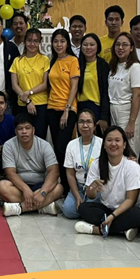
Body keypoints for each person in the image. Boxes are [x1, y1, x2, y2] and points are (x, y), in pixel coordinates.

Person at [74, 126, 140, 241]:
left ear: (124, 144)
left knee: (139, 216)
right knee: (83, 208)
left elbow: (130, 200)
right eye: (109, 140)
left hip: (125, 210)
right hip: (106, 209)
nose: (113, 144)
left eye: (117, 140)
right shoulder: (97, 164)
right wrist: (92, 188)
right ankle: (122, 229)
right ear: (104, 144)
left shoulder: (132, 166)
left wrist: (113, 216)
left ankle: (96, 230)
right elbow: (90, 196)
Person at [0, 114, 63, 217]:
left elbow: (54, 171)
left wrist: (43, 193)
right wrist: (25, 189)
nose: (24, 132)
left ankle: (19, 208)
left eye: (27, 128)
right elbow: (10, 173)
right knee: (2, 186)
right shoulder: (9, 145)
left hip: (40, 186)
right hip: (19, 187)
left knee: (59, 188)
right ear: (15, 131)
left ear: (33, 130)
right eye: (20, 129)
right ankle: (42, 206)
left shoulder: (44, 145)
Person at [46, 29, 79, 193]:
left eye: (62, 41)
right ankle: (61, 186)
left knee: (62, 148)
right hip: (51, 109)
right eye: (56, 41)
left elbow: (74, 87)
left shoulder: (73, 60)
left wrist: (67, 109)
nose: (59, 44)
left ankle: (68, 187)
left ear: (68, 43)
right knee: (56, 149)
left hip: (67, 110)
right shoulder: (52, 61)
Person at [62, 110, 103, 219]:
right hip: (79, 187)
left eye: (89, 122)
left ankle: (86, 211)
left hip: (96, 188)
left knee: (97, 205)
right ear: (77, 125)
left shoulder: (102, 144)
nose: (85, 125)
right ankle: (88, 212)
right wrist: (76, 195)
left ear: (94, 126)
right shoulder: (71, 145)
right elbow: (70, 174)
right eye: (81, 122)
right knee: (68, 211)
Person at [108, 32, 140, 158]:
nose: (120, 48)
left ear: (132, 48)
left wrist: (131, 122)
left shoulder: (135, 67)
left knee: (130, 151)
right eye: (117, 44)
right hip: (114, 110)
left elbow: (137, 96)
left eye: (124, 45)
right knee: (116, 151)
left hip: (128, 111)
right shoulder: (113, 66)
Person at [10, 28, 50, 140]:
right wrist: (27, 100)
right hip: (23, 104)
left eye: (36, 41)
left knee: (39, 138)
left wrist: (28, 93)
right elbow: (14, 85)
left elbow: (45, 84)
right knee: (23, 137)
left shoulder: (45, 60)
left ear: (40, 42)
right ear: (24, 42)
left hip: (41, 104)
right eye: (29, 40)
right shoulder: (17, 61)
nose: (32, 44)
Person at [77, 33, 111, 135]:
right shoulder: (77, 64)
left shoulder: (103, 65)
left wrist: (104, 117)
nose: (88, 47)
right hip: (80, 107)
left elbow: (106, 91)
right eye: (85, 44)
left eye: (92, 44)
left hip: (97, 108)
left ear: (98, 46)